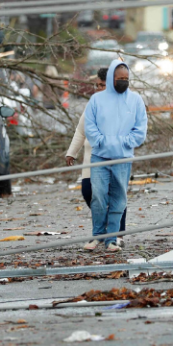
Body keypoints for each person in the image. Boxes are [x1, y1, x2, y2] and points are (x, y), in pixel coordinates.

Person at [83, 59, 147, 252]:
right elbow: (90, 127)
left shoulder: (135, 100)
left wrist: (123, 143)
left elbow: (140, 129)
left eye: (126, 78)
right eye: (120, 78)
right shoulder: (96, 100)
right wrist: (103, 142)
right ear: (111, 78)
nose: (123, 81)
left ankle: (112, 239)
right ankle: (97, 236)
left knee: (119, 198)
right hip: (100, 157)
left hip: (123, 158)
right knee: (99, 197)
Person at [65, 68, 128, 247]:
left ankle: (117, 236)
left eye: (103, 85)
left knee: (116, 196)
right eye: (97, 85)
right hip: (90, 159)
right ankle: (101, 231)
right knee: (89, 192)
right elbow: (80, 130)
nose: (99, 88)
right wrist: (71, 152)